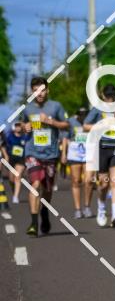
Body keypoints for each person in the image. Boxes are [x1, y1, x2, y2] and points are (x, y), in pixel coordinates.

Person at [20, 77, 69, 236]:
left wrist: (49, 121)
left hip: (51, 154)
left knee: (47, 189)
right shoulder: (27, 109)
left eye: (42, 90)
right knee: (35, 184)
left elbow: (66, 125)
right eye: (36, 91)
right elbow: (22, 125)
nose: (39, 94)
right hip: (33, 153)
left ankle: (44, 212)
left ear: (47, 90)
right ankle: (34, 223)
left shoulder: (56, 106)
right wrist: (25, 127)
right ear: (32, 92)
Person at [84, 84, 115, 227]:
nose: (110, 99)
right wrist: (101, 126)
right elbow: (85, 125)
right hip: (101, 149)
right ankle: (101, 207)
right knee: (103, 184)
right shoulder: (98, 109)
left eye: (112, 96)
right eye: (108, 96)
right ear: (103, 96)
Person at [65, 108, 89, 218]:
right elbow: (65, 138)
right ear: (77, 115)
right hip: (74, 154)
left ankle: (87, 206)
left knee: (88, 181)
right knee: (76, 181)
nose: (83, 117)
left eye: (85, 115)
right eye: (81, 114)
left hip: (88, 154)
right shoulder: (71, 122)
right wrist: (64, 154)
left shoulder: (91, 122)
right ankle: (78, 209)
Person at [7, 121, 27, 204]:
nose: (18, 127)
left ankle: (16, 196)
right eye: (16, 126)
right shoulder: (10, 136)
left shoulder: (25, 137)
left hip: (21, 159)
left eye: (19, 126)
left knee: (17, 176)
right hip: (12, 159)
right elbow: (5, 147)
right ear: (14, 127)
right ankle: (14, 191)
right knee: (11, 179)